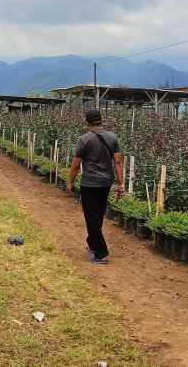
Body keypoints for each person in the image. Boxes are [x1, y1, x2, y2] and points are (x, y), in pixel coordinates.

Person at [67, 108, 124, 264]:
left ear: (87, 121)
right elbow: (118, 162)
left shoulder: (84, 140)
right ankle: (93, 244)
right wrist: (121, 183)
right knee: (98, 215)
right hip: (106, 183)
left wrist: (71, 182)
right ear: (101, 120)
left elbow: (76, 165)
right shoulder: (113, 138)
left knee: (91, 217)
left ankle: (101, 253)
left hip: (89, 184)